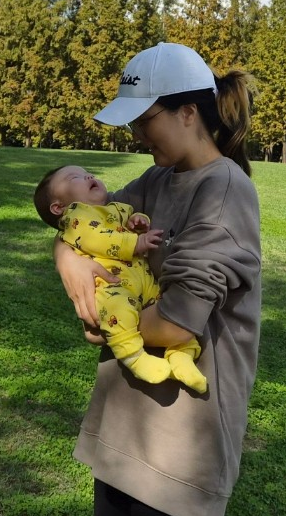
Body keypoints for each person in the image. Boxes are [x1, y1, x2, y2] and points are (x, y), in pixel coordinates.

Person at [54, 42, 260, 516]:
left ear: (188, 112)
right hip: (123, 434)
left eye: (143, 121)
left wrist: (109, 322)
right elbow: (80, 223)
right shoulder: (157, 178)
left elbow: (174, 323)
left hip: (180, 453)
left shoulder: (224, 191)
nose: (137, 135)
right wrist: (69, 262)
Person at [34, 164, 207, 393]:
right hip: (112, 285)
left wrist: (138, 220)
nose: (88, 174)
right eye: (74, 177)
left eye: (88, 171)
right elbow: (96, 239)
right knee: (120, 312)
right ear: (59, 208)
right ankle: (134, 357)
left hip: (142, 280)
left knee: (162, 300)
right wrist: (136, 243)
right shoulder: (75, 216)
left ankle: (182, 356)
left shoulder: (114, 207)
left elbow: (127, 220)